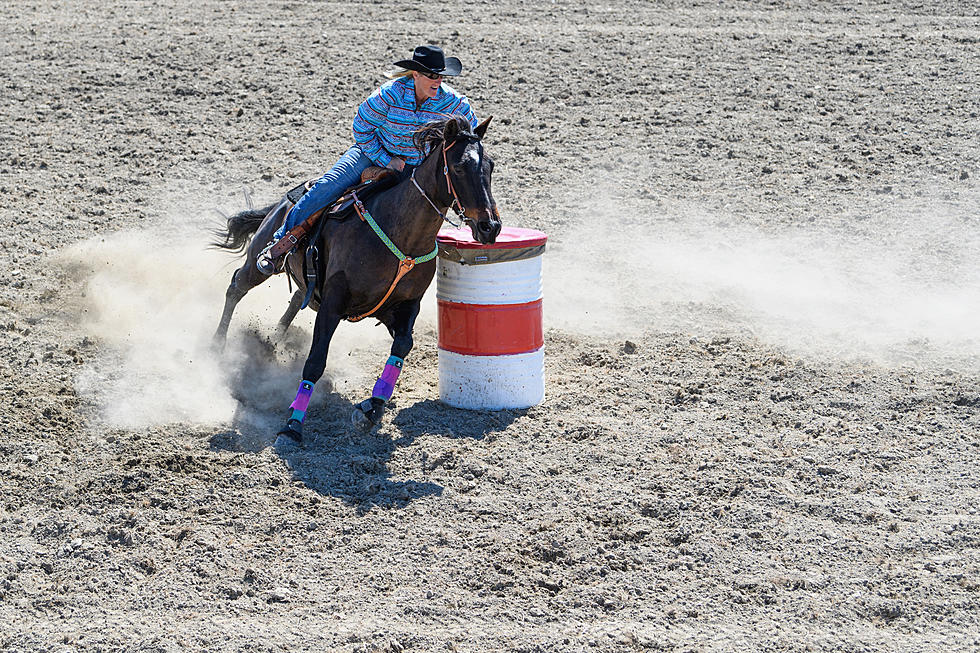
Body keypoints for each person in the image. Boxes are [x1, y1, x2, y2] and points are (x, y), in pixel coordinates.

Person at [257, 45, 479, 274]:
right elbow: (361, 129)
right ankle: (279, 244)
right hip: (370, 153)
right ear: (416, 74)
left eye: (441, 76)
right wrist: (385, 159)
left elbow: (471, 135)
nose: (438, 81)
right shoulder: (389, 94)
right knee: (328, 186)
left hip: (418, 165)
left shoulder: (454, 103)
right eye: (432, 75)